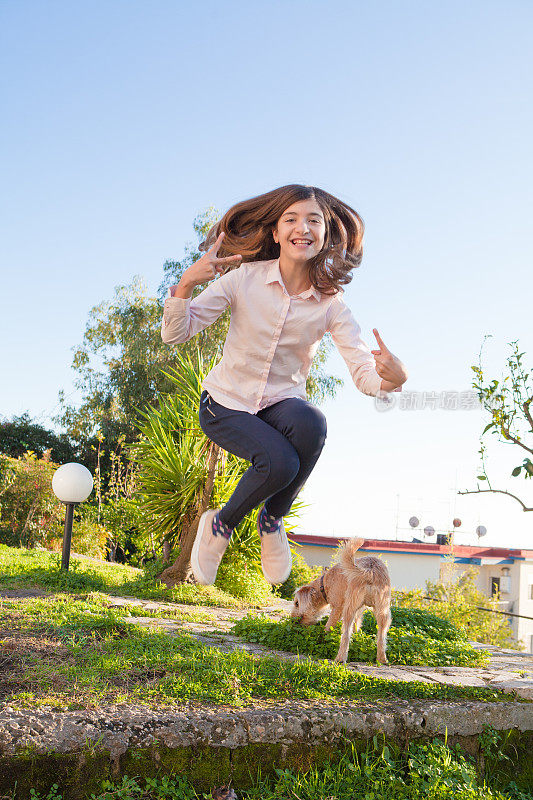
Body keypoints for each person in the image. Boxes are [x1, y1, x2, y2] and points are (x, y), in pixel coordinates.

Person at [161, 184, 407, 587]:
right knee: (281, 462)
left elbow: (364, 373)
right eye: (291, 219)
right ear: (275, 233)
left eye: (314, 220)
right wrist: (186, 284)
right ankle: (221, 525)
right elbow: (177, 333)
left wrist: (392, 379)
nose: (302, 228)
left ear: (326, 235)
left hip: (278, 406)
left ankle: (272, 518)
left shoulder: (331, 305)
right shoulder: (243, 280)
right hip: (224, 405)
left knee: (313, 423)